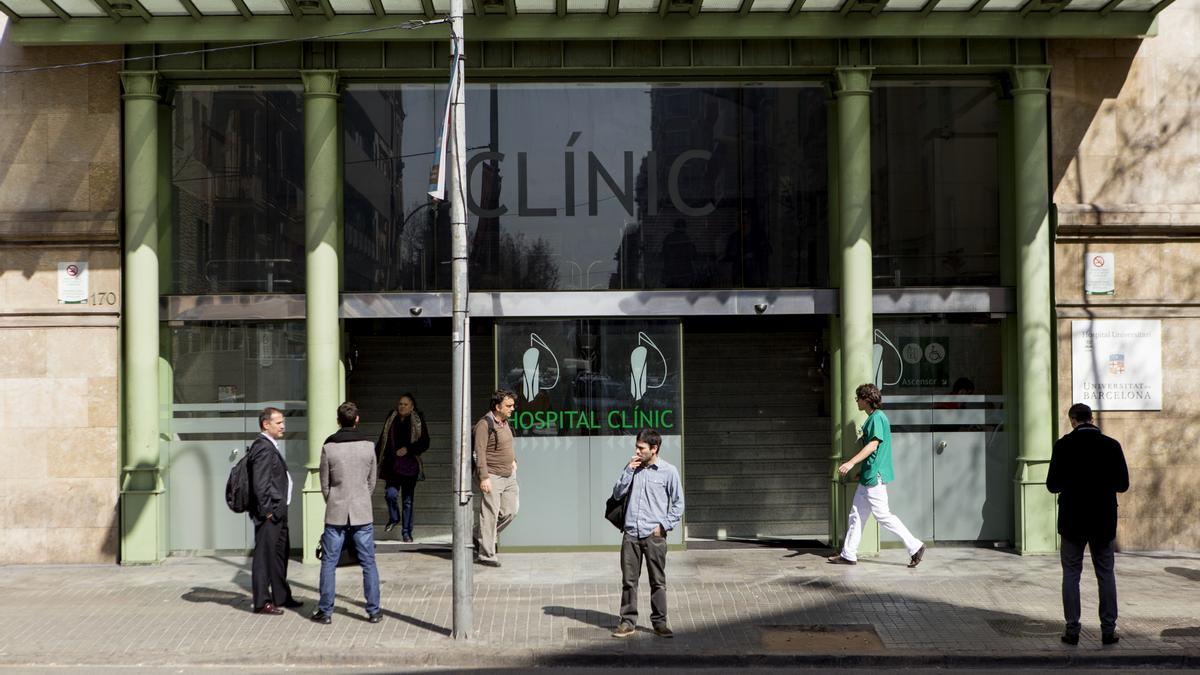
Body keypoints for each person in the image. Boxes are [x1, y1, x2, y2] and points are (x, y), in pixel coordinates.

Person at [1047, 403, 1129, 646]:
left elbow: (1052, 485)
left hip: (1072, 520)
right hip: (1103, 520)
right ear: (1091, 419)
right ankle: (1108, 629)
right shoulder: (1111, 445)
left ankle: (1072, 630)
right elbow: (1123, 484)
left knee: (1071, 574)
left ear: (1073, 420)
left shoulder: (1063, 446)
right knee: (1105, 574)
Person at [828, 383, 926, 568]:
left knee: (883, 516)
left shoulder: (876, 418)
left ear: (866, 400)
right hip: (869, 476)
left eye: (858, 398)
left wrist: (850, 463)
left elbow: (873, 445)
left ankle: (915, 546)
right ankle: (848, 554)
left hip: (875, 477)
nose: (857, 401)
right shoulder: (876, 418)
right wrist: (862, 471)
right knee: (857, 514)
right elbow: (875, 451)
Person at [311, 402, 382, 625]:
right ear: (357, 419)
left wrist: (334, 500)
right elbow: (372, 481)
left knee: (329, 563)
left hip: (336, 512)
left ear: (338, 420)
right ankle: (374, 611)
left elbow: (324, 483)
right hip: (362, 511)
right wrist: (361, 497)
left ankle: (325, 612)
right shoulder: (368, 446)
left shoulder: (329, 447)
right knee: (368, 562)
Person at [611, 428, 684, 639]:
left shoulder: (669, 471)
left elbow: (678, 504)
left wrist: (664, 526)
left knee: (658, 581)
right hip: (631, 533)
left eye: (641, 448)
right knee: (629, 581)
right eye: (637, 446)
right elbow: (617, 493)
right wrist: (628, 471)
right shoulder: (633, 468)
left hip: (654, 535)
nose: (637, 450)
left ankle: (660, 623)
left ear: (654, 448)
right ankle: (627, 622)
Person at [247, 407, 301, 614]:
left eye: (283, 422)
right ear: (265, 424)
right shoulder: (263, 447)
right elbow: (260, 484)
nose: (283, 426)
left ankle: (281, 596)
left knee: (279, 554)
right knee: (264, 557)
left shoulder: (269, 446)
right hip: (270, 513)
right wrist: (267, 510)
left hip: (278, 511)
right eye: (278, 423)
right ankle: (262, 601)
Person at [472, 389, 518, 568]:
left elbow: (507, 445)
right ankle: (486, 555)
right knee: (490, 514)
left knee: (510, 511)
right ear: (497, 406)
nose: (512, 408)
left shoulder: (504, 423)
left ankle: (477, 534)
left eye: (513, 405)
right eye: (509, 406)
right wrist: (484, 477)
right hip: (492, 475)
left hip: (509, 475)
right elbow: (480, 452)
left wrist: (514, 460)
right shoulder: (485, 424)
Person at [376, 393, 431, 543]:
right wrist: (376, 456)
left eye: (406, 404)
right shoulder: (391, 419)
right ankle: (394, 517)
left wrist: (408, 449)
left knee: (407, 500)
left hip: (409, 466)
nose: (402, 406)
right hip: (392, 465)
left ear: (412, 407)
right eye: (400, 403)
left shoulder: (417, 420)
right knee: (390, 494)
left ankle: (406, 532)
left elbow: (425, 442)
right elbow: (383, 439)